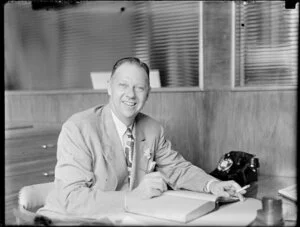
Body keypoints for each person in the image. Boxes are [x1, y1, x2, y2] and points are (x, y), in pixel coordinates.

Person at [37, 57, 246, 220]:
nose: (131, 94)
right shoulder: (78, 128)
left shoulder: (152, 129)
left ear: (148, 93)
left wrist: (213, 185)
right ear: (109, 86)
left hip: (123, 218)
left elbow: (177, 169)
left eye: (139, 87)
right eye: (123, 85)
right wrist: (134, 196)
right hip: (69, 220)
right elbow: (72, 200)